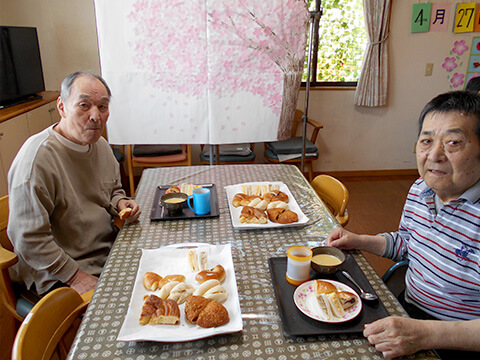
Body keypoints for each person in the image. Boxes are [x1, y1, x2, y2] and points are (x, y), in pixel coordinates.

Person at [327, 91, 480, 359]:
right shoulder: (421, 188)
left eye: (453, 142)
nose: (434, 155)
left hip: (459, 341)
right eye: (426, 140)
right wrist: (359, 240)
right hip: (408, 309)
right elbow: (408, 243)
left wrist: (425, 334)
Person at [7, 71, 140, 296]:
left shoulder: (100, 146)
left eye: (102, 107)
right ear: (62, 107)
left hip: (104, 254)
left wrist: (121, 202)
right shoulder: (37, 160)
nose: (95, 116)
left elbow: (113, 190)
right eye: (84, 105)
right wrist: (75, 277)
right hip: (59, 272)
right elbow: (28, 239)